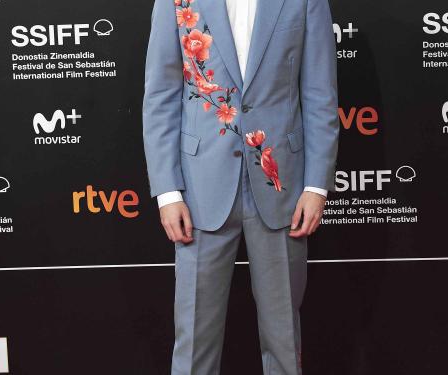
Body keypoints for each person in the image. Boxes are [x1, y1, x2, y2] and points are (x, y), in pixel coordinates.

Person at [142, 0, 339, 373]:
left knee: (285, 339)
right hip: (201, 189)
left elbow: (320, 94)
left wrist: (316, 186)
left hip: (282, 186)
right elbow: (160, 96)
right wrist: (168, 191)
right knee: (194, 342)